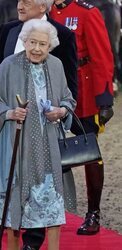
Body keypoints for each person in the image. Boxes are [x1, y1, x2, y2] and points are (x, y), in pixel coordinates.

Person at [0, 0, 78, 249]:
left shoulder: (57, 61)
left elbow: (68, 94)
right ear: (25, 42)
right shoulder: (9, 61)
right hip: (13, 142)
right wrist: (9, 112)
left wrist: (62, 111)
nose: (37, 48)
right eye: (32, 43)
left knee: (46, 201)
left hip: (46, 145)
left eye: (42, 44)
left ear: (50, 46)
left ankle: (34, 243)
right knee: (10, 202)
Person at [50, 0, 114, 235]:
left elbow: (102, 56)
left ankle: (93, 213)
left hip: (83, 90)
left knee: (89, 152)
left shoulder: (87, 13)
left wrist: (104, 98)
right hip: (51, 89)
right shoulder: (44, 10)